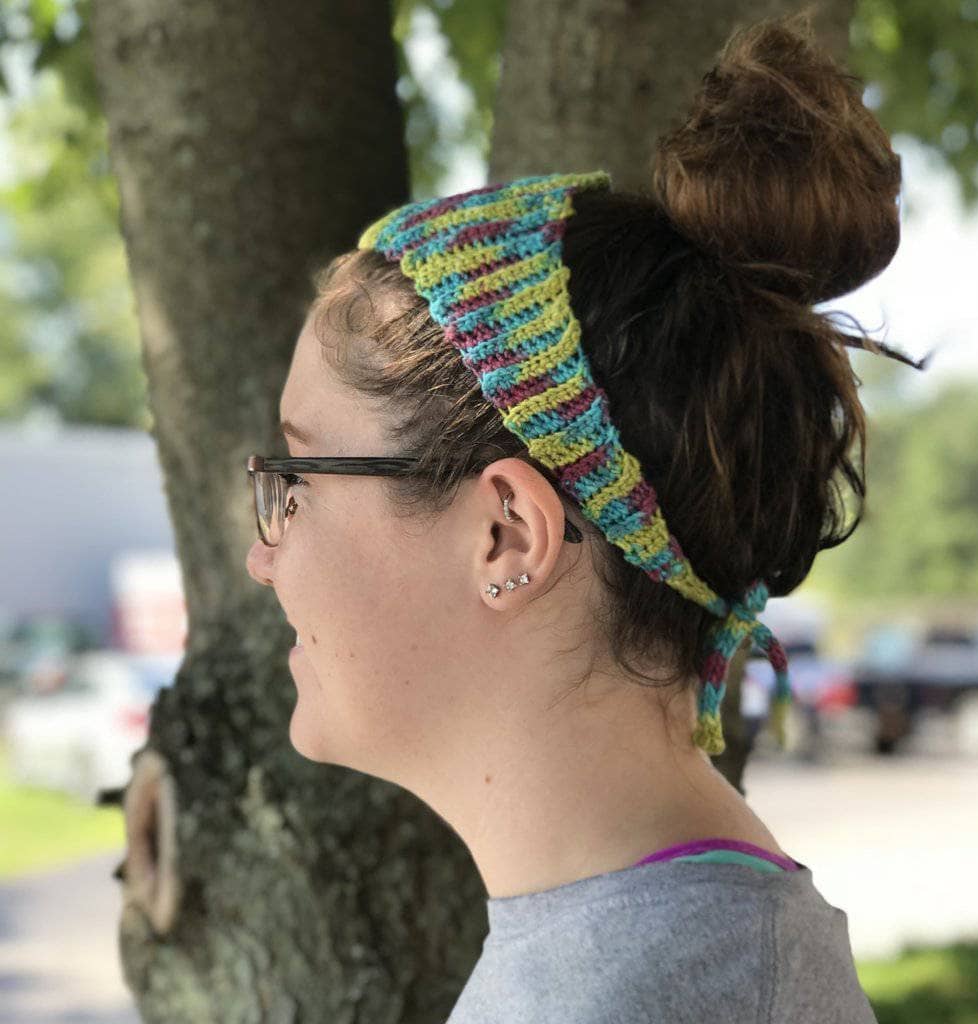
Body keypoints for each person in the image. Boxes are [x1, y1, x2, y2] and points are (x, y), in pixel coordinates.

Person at [245, 12, 929, 1023]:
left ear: (508, 534)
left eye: (298, 477)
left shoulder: (638, 990)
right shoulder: (681, 950)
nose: (265, 555)